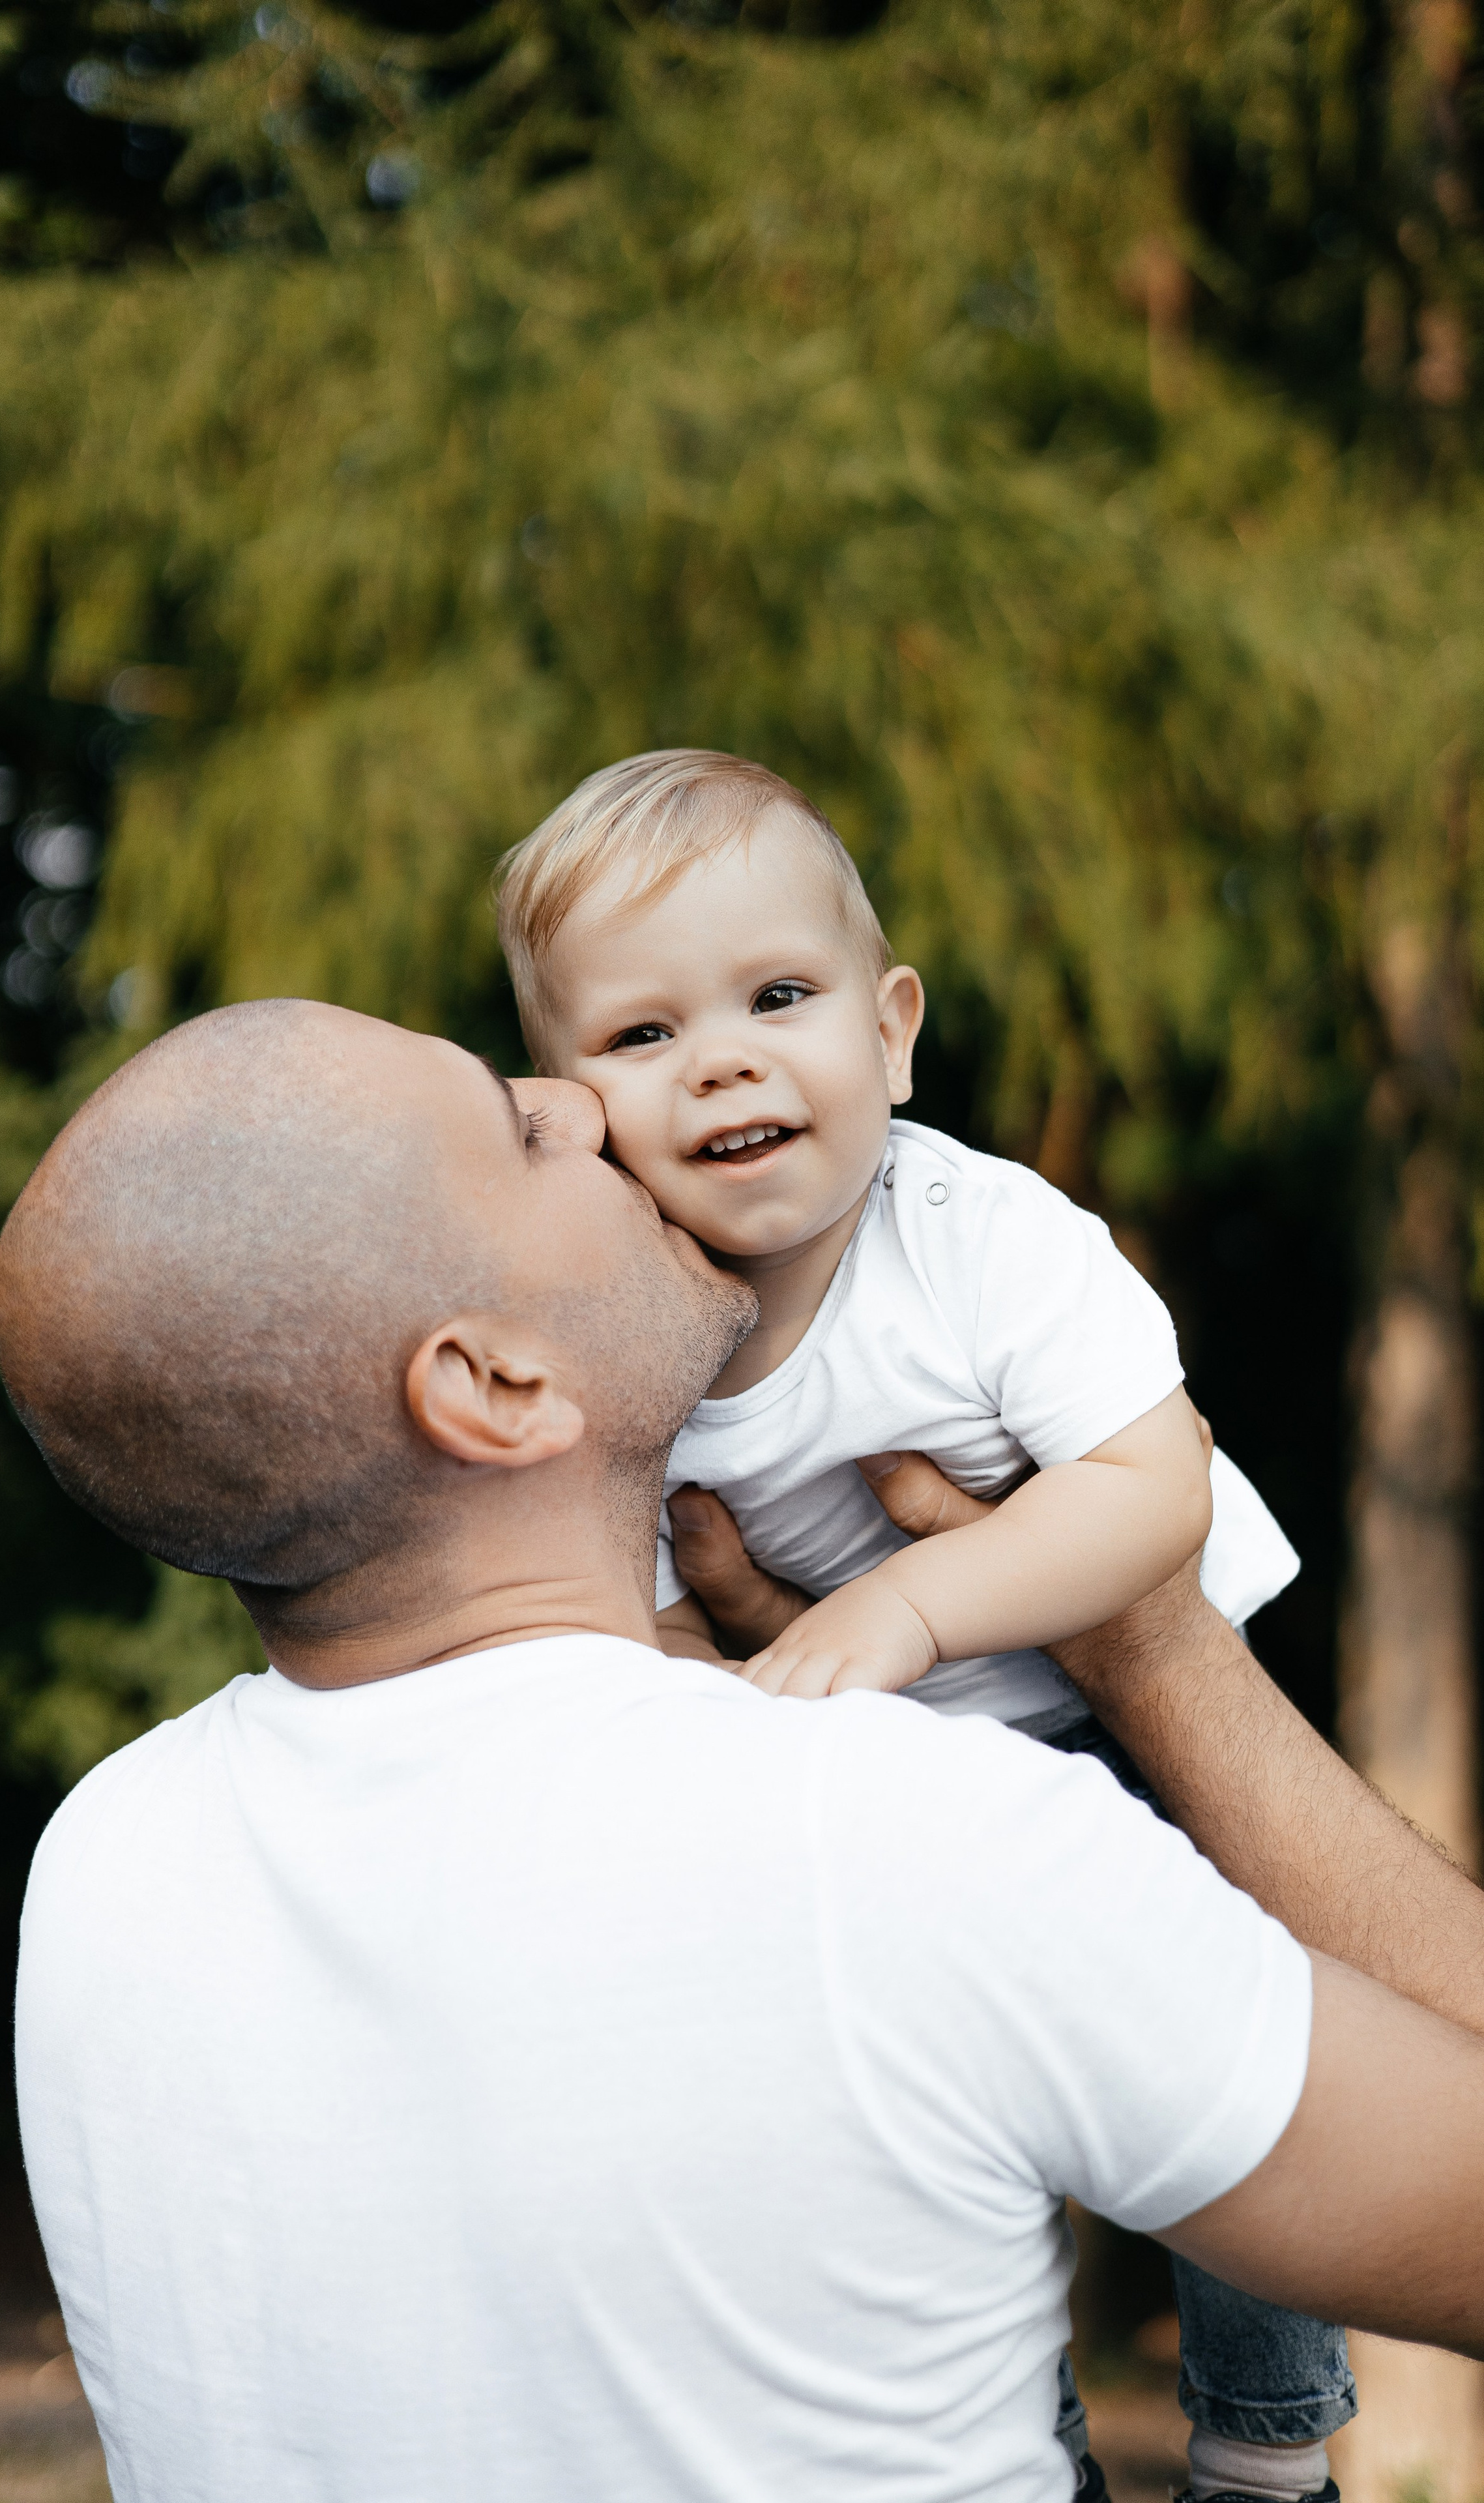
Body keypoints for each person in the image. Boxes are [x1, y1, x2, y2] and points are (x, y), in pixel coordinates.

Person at [0, 1001, 1484, 2503]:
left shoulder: (105, 1875)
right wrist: (1145, 1641)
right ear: (494, 1387)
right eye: (516, 1131)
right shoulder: (896, 1842)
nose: (581, 1106)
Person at [493, 747, 1350, 2490]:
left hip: (1131, 1717)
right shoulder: (615, 1339)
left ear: (890, 1034)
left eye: (778, 997)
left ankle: (1265, 2448)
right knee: (896, 2118)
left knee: (1235, 2032)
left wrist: (907, 1605)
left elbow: (1146, 1484)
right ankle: (997, 2446)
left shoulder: (975, 1235)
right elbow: (640, 1623)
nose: (721, 1055)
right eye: (641, 1035)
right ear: (569, 1108)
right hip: (867, 1770)